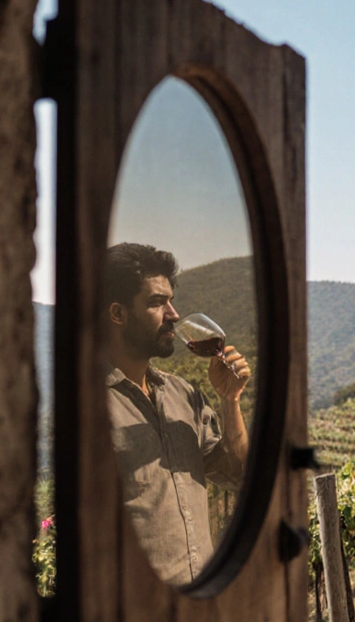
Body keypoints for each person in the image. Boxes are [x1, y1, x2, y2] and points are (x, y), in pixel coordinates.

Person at [103, 242, 250, 584]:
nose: (174, 314)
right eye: (157, 302)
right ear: (117, 314)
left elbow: (237, 475)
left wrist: (230, 400)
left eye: (170, 300)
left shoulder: (184, 395)